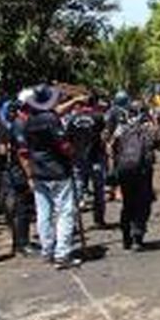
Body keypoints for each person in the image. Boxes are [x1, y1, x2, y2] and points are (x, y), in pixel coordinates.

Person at [20, 84, 80, 270]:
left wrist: (75, 101)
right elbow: (63, 146)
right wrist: (73, 152)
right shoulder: (51, 119)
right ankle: (62, 254)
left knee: (44, 213)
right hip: (57, 171)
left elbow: (25, 150)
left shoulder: (29, 121)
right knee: (65, 212)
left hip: (39, 171)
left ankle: (48, 251)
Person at [113, 103, 155, 251]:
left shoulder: (121, 128)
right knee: (143, 204)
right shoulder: (148, 128)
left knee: (127, 203)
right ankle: (137, 237)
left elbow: (113, 148)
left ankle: (126, 238)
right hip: (143, 172)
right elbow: (156, 145)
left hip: (124, 171)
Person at [0, 100, 36, 256]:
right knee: (23, 208)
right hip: (18, 173)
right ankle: (22, 244)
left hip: (14, 172)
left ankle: (20, 242)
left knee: (20, 208)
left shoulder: (12, 125)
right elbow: (23, 154)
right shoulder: (19, 125)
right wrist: (29, 176)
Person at [65, 96, 107, 227]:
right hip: (96, 158)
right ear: (93, 104)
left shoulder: (72, 119)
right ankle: (98, 220)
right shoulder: (99, 117)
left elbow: (68, 140)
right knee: (99, 191)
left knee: (77, 193)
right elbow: (104, 136)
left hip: (77, 160)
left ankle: (74, 224)